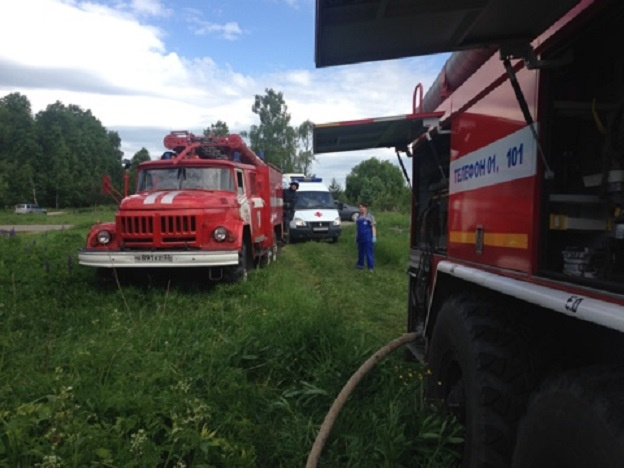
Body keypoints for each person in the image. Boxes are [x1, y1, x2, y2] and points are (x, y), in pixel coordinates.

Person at [355, 201, 377, 272]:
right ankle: (360, 265)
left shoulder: (370, 216)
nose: (361, 209)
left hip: (368, 238)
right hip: (360, 238)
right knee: (360, 252)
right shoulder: (358, 217)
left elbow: (373, 227)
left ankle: (370, 267)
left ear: (366, 208)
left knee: (369, 253)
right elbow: (357, 228)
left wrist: (374, 236)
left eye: (362, 207)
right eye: (360, 207)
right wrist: (356, 237)